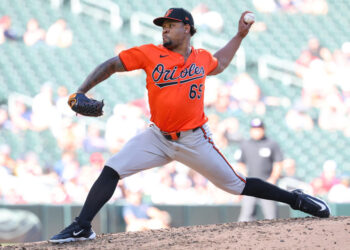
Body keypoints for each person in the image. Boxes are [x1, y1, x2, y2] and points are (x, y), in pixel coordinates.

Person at [50, 8, 330, 244]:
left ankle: (296, 200)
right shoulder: (149, 54)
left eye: (170, 26)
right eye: (163, 26)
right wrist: (81, 90)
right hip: (157, 137)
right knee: (112, 168)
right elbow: (111, 65)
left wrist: (239, 36)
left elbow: (219, 63)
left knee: (235, 185)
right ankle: (82, 226)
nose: (164, 30)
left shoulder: (200, 58)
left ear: (187, 28)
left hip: (194, 139)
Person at [236, 118, 283, 221]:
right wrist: (245, 178)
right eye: (254, 129)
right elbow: (240, 163)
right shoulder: (245, 144)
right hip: (250, 184)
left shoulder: (271, 144)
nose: (256, 131)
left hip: (267, 183)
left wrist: (273, 178)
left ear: (263, 129)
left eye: (259, 128)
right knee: (245, 217)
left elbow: (278, 162)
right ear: (250, 130)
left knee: (271, 217)